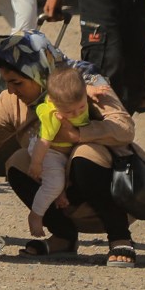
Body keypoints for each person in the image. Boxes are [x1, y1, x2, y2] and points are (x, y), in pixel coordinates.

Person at [0, 29, 145, 266]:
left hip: (110, 183)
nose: (11, 90)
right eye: (7, 83)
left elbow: (124, 127)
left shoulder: (82, 83)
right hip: (56, 185)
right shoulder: (13, 101)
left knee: (85, 156)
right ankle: (63, 237)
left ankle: (120, 237)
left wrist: (78, 134)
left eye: (17, 82)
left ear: (38, 73)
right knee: (18, 163)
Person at [21, 64, 92, 238]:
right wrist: (36, 164)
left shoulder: (78, 97)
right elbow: (43, 142)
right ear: (53, 102)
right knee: (54, 183)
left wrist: (94, 91)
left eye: (81, 107)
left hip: (65, 150)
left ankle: (60, 194)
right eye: (69, 111)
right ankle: (36, 215)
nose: (76, 113)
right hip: (48, 151)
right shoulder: (54, 116)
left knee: (68, 176)